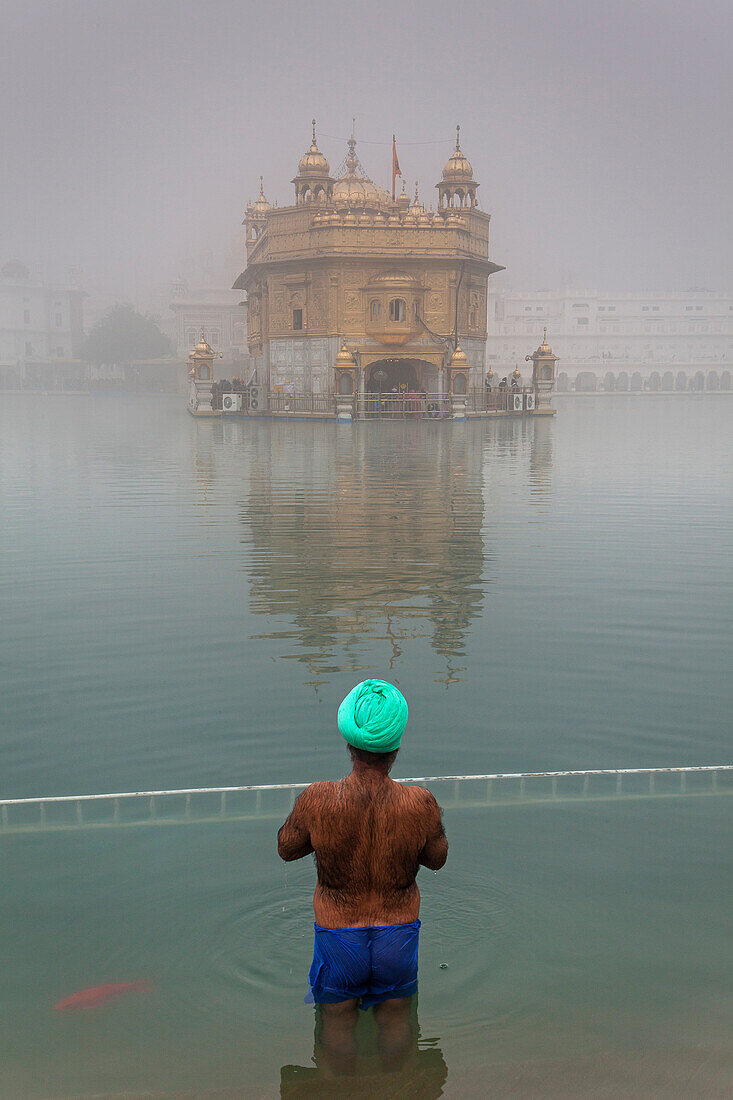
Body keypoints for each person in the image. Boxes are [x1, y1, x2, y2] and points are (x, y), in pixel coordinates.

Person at [277, 679, 448, 1061]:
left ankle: (338, 1088)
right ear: (396, 745)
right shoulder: (420, 803)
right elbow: (437, 859)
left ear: (348, 742)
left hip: (338, 935)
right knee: (397, 1023)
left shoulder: (318, 799)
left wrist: (327, 834)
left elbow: (287, 849)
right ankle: (399, 1086)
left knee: (336, 1026)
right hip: (398, 936)